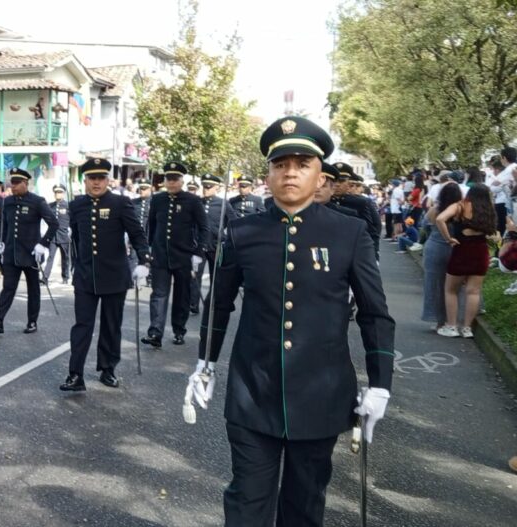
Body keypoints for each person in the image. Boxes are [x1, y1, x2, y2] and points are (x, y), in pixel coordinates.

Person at [188, 116, 394, 526]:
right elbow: (219, 304)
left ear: (320, 176)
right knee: (247, 499)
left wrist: (381, 384)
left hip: (321, 393)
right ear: (268, 173)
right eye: (281, 164)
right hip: (253, 390)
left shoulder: (348, 233)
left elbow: (374, 313)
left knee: (304, 504)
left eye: (302, 163)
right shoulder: (241, 233)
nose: (290, 172)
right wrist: (205, 362)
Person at [60, 158, 150, 391]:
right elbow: (77, 239)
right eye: (92, 178)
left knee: (111, 326)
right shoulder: (77, 204)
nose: (97, 182)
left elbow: (137, 234)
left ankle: (108, 369)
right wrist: (75, 266)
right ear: (85, 180)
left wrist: (144, 261)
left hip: (114, 275)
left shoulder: (120, 203)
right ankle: (75, 374)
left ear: (108, 179)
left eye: (101, 178)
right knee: (82, 326)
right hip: (85, 275)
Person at [141, 161, 209, 347]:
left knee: (182, 296)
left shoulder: (193, 201)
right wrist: (148, 249)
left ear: (182, 180)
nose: (171, 183)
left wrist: (198, 252)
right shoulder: (158, 199)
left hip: (184, 256)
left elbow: (204, 228)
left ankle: (179, 330)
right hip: (161, 256)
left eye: (175, 179)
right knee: (159, 294)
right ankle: (155, 332)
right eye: (168, 179)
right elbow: (152, 226)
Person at [0, 167, 59, 334]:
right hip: (12, 254)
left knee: (33, 290)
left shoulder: (37, 201)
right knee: (8, 288)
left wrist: (43, 244)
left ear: (25, 183)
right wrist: (1, 242)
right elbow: (5, 225)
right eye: (11, 183)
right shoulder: (7, 202)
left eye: (16, 183)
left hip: (31, 253)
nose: (12, 186)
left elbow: (54, 223)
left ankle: (32, 322)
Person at [436, 183, 496, 339]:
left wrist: (448, 238)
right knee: (473, 291)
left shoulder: (460, 206)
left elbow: (440, 219)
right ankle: (467, 328)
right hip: (481, 252)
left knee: (451, 290)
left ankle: (452, 326)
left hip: (462, 250)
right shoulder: (488, 209)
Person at [189, 174, 236, 315]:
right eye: (204, 186)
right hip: (198, 245)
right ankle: (193, 304)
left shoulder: (223, 204)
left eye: (209, 187)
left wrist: (228, 239)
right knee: (195, 276)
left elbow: (233, 222)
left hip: (216, 245)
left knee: (217, 277)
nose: (205, 189)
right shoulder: (197, 202)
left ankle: (213, 302)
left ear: (216, 188)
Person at [421, 182, 462, 331]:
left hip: (434, 248)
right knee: (456, 286)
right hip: (456, 248)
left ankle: (439, 321)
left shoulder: (434, 210)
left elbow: (424, 227)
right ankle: (456, 320)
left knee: (434, 285)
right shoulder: (460, 210)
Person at [331, 163, 382, 259]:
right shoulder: (322, 203)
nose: (337, 184)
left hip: (355, 253)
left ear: (348, 183)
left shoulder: (360, 203)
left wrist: (373, 255)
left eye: (341, 181)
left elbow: (372, 231)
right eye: (334, 180)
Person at [45, 184, 72, 284]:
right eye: (56, 192)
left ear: (63, 193)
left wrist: (70, 231)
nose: (58, 194)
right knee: (50, 257)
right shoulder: (50, 205)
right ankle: (45, 277)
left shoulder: (68, 205)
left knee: (65, 258)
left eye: (60, 192)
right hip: (53, 236)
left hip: (64, 236)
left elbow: (72, 220)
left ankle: (65, 277)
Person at [128, 179, 153, 275]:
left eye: (145, 188)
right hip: (136, 236)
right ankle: (132, 280)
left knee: (149, 259)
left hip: (149, 237)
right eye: (141, 188)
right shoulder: (133, 202)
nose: (142, 190)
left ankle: (149, 277)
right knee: (133, 258)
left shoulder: (154, 203)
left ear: (150, 189)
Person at [490, 147, 516, 237]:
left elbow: (494, 188)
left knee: (508, 231)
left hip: (512, 205)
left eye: (501, 158)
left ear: (504, 158)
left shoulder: (508, 170)